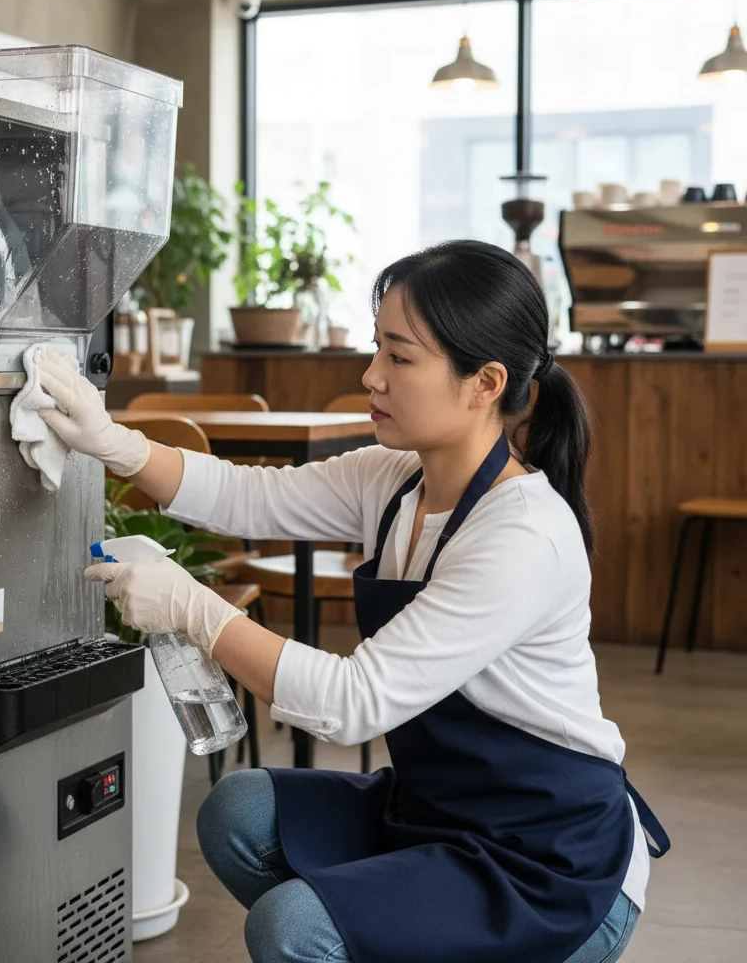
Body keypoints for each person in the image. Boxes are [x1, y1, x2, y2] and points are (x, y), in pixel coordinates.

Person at [37, 239, 669, 963]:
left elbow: (352, 702)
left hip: (546, 860)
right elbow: (248, 496)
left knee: (292, 928)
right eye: (377, 349)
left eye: (400, 359)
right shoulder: (395, 479)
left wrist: (196, 610)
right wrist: (113, 441)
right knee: (240, 812)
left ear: (485, 382)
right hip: (435, 813)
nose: (371, 376)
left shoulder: (522, 534)